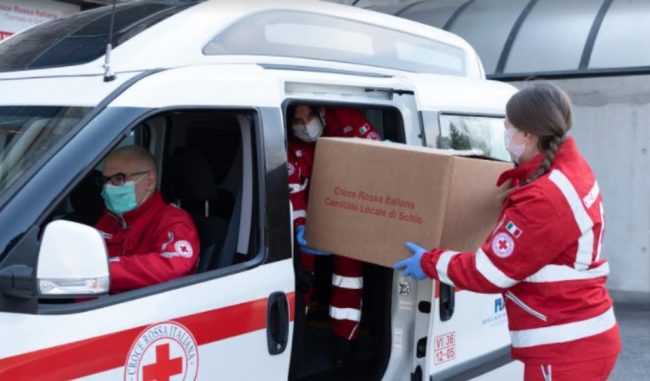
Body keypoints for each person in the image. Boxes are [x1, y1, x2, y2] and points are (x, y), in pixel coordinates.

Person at [395, 83, 621, 381]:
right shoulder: (570, 170)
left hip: (564, 347)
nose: (504, 133)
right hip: (583, 334)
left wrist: (430, 262)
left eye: (508, 126)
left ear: (527, 134)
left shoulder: (544, 197)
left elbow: (491, 272)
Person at [288, 104, 380, 367]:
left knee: (348, 277)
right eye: (297, 120)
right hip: (311, 211)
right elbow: (293, 192)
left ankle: (345, 348)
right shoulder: (294, 146)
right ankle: (296, 341)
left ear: (323, 114)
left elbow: (383, 161)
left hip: (349, 207)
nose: (303, 125)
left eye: (308, 118)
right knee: (303, 275)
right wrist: (300, 230)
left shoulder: (349, 121)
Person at [95, 145, 200, 294]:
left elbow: (174, 265)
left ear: (149, 180)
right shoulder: (110, 219)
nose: (108, 187)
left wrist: (104, 269)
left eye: (118, 179)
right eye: (105, 180)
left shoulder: (174, 220)